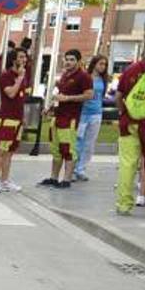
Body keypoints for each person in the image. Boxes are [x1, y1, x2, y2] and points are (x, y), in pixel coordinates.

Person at [38, 49, 94, 190]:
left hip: (70, 119)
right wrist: (50, 108)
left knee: (68, 150)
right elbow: (60, 95)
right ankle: (53, 178)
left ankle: (67, 179)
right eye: (66, 59)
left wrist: (68, 98)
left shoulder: (84, 76)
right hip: (57, 117)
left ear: (79, 61)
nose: (68, 62)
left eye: (71, 60)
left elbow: (89, 95)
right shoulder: (64, 75)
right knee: (56, 149)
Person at [0, 48, 31, 194]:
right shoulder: (6, 76)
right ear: (14, 59)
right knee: (1, 150)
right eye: (21, 57)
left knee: (10, 152)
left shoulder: (24, 76)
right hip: (7, 118)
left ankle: (5, 180)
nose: (24, 60)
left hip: (17, 118)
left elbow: (21, 98)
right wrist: (19, 78)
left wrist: (23, 117)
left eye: (25, 57)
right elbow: (11, 93)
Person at [114, 45, 145, 214]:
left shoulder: (131, 70)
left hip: (129, 122)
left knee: (127, 164)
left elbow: (118, 97)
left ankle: (124, 204)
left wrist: (123, 112)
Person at [73, 55, 108, 182]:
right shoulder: (85, 77)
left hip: (96, 113)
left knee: (90, 143)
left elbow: (101, 96)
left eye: (105, 64)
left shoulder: (103, 79)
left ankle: (81, 169)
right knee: (78, 142)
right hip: (83, 113)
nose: (103, 67)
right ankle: (72, 168)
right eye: (100, 64)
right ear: (94, 64)